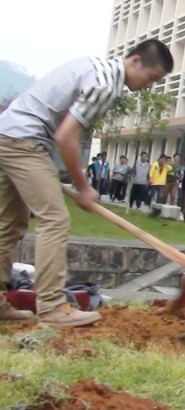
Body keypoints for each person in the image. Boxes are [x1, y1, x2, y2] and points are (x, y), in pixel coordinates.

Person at [0, 39, 172, 326]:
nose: (148, 86)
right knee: (54, 219)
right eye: (150, 77)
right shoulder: (105, 84)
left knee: (9, 225)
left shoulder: (94, 66)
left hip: (6, 133)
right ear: (134, 61)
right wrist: (83, 186)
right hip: (25, 141)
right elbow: (66, 137)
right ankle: (52, 307)